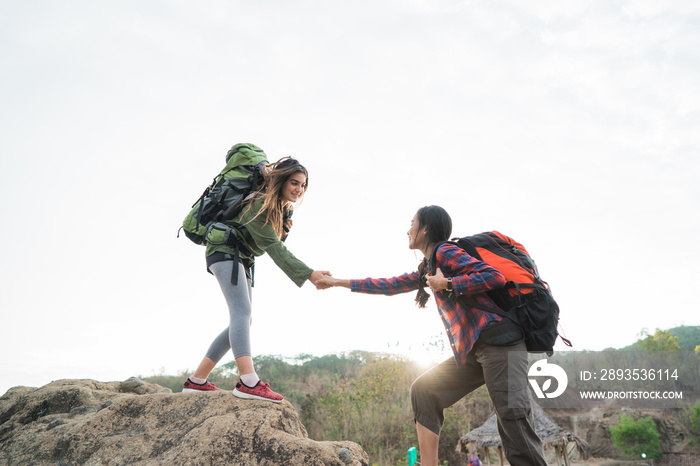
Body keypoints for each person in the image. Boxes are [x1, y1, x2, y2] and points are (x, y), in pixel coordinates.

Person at [316, 205, 547, 466]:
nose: (408, 230)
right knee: (425, 390)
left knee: (512, 422)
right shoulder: (429, 265)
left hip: (500, 343)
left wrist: (448, 284)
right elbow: (389, 285)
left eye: (412, 223)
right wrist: (337, 282)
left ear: (425, 228)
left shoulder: (446, 252)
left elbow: (494, 276)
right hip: (475, 350)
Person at [183, 156, 330, 403]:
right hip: (225, 251)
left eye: (303, 185)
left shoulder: (281, 209)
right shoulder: (258, 203)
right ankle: (248, 382)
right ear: (281, 180)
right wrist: (309, 274)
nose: (299, 189)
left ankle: (197, 381)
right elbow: (271, 247)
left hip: (240, 257)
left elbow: (264, 244)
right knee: (241, 312)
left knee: (243, 318)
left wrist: (283, 231)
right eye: (294, 182)